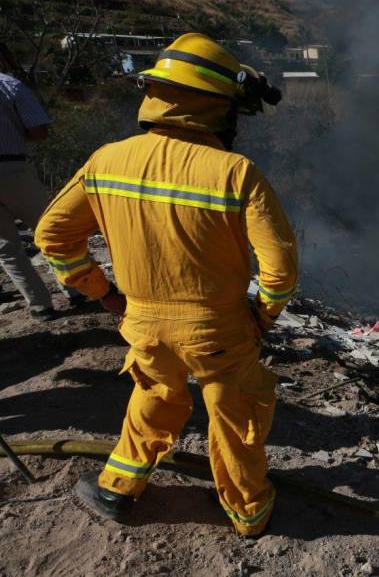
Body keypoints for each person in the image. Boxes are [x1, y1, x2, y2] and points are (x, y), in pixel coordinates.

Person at [35, 33, 297, 536]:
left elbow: (52, 235)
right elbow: (280, 270)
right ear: (216, 110)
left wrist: (103, 293)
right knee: (233, 415)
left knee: (154, 395)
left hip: (143, 321)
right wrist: (261, 317)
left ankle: (117, 487)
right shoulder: (235, 173)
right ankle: (249, 513)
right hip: (218, 330)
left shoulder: (106, 160)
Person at [0, 70, 69, 320]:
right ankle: (77, 288)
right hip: (13, 168)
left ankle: (40, 306)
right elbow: (40, 132)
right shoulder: (9, 85)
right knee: (51, 230)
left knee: (7, 248)